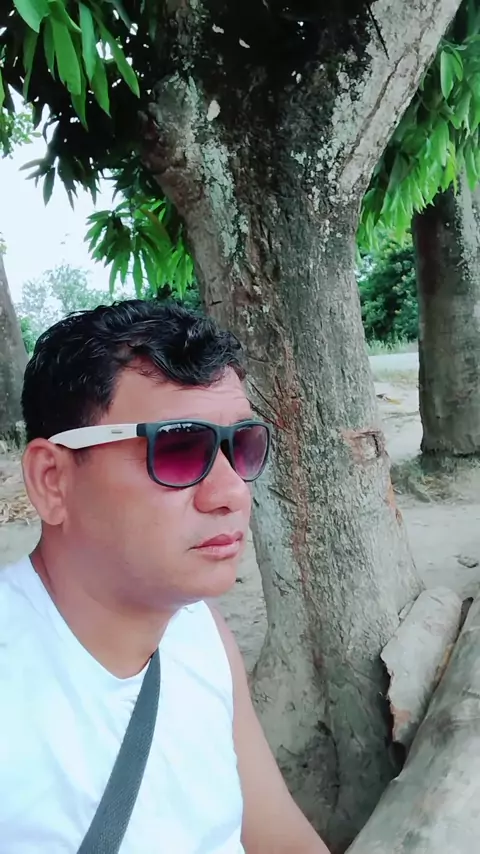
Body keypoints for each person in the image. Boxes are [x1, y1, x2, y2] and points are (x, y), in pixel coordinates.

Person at [0, 299, 329, 853]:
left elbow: (277, 834)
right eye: (177, 449)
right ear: (53, 480)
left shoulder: (201, 633)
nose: (231, 492)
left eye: (242, 447)